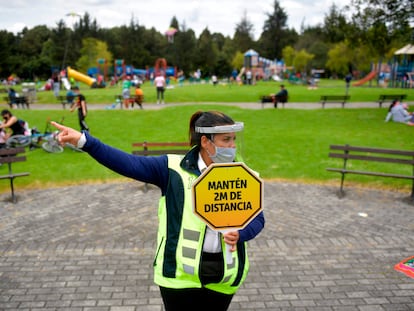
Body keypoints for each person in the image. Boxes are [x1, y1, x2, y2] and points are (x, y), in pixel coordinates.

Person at [51, 110, 265, 311]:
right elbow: (128, 163)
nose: (232, 146)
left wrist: (241, 234)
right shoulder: (171, 169)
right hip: (178, 277)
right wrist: (84, 141)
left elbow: (258, 219)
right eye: (226, 140)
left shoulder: (241, 174)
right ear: (205, 142)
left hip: (224, 275)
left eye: (234, 139)